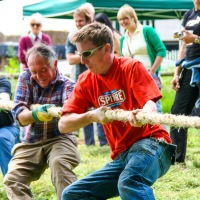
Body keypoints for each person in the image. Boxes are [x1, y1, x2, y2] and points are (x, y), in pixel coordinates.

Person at [59, 22, 176, 200]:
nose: (82, 60)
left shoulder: (131, 67)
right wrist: (92, 116)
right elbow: (64, 124)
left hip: (153, 143)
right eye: (79, 54)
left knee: (129, 182)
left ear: (106, 49)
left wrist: (143, 114)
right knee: (72, 194)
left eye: (87, 54)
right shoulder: (85, 80)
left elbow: (150, 103)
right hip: (122, 155)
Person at [4, 43, 80, 200]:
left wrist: (62, 112)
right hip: (31, 141)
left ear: (55, 64)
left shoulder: (68, 85)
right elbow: (19, 116)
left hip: (61, 139)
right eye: (34, 72)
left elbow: (70, 113)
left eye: (43, 70)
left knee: (60, 165)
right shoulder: (26, 78)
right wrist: (36, 114)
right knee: (12, 179)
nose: (39, 76)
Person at [65, 6, 107, 146]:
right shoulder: (72, 36)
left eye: (81, 21)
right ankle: (89, 143)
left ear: (88, 20)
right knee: (85, 109)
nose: (78, 24)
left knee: (101, 105)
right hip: (80, 76)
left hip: (99, 75)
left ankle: (103, 142)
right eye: (76, 21)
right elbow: (70, 59)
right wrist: (87, 53)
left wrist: (79, 54)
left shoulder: (98, 33)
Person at [117, 4, 166, 113]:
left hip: (148, 75)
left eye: (125, 18)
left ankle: (162, 130)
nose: (122, 22)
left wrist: (152, 70)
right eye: (120, 19)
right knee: (138, 109)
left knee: (155, 109)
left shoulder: (147, 31)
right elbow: (123, 59)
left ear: (133, 17)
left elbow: (161, 50)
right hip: (131, 79)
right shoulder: (123, 39)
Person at [170, 0, 200, 163]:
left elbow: (191, 39)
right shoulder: (189, 14)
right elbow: (183, 45)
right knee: (177, 113)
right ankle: (176, 159)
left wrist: (195, 39)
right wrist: (176, 72)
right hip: (188, 68)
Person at [0, 78, 20, 176]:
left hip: (7, 128)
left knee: (1, 138)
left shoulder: (2, 82)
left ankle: (13, 185)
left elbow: (4, 99)